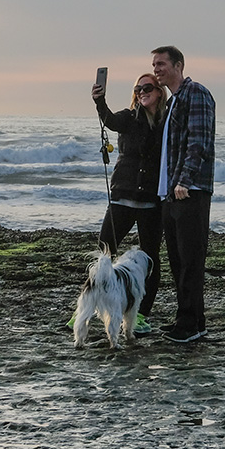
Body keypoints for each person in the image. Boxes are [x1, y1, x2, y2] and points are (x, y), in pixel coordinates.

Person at [91, 72, 168, 333]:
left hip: (151, 201)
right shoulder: (129, 117)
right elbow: (110, 120)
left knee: (151, 260)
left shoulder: (166, 121)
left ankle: (141, 315)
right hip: (122, 196)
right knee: (104, 253)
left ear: (159, 91)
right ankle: (89, 308)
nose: (142, 92)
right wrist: (100, 102)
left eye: (147, 87)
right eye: (138, 88)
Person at [151, 46, 216, 344]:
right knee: (178, 261)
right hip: (172, 194)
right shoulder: (174, 102)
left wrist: (184, 181)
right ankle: (190, 321)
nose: (156, 69)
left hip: (190, 191)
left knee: (191, 261)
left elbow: (198, 142)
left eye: (162, 63)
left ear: (178, 65)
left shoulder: (196, 94)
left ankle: (189, 325)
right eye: (154, 64)